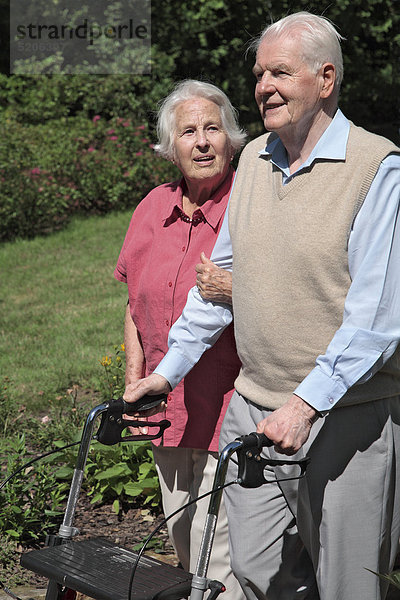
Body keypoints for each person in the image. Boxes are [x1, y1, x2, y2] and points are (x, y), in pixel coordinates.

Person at [123, 12, 400, 600]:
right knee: (254, 571)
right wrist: (165, 373)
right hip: (253, 408)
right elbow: (218, 283)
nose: (263, 86)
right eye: (258, 74)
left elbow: (378, 321)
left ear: (325, 79)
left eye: (280, 72)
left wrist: (304, 405)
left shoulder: (377, 169)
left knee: (350, 585)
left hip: (343, 414)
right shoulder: (253, 162)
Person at [114, 80, 246, 599]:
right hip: (167, 411)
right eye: (188, 131)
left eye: (213, 128)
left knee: (225, 558)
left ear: (231, 139)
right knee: (185, 540)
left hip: (233, 409)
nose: (202, 141)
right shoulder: (152, 207)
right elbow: (133, 302)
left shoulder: (249, 206)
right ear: (171, 148)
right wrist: (135, 378)